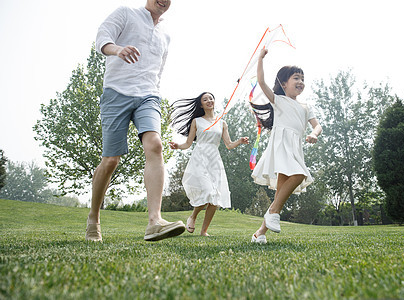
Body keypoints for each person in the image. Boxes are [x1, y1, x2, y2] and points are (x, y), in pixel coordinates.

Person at [85, 0, 186, 242]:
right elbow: (103, 36)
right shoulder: (126, 13)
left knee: (155, 145)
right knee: (110, 160)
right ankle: (93, 218)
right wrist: (117, 49)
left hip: (148, 96)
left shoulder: (166, 35)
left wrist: (155, 92)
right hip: (116, 93)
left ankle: (154, 222)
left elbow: (158, 71)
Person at [250, 49, 322, 244]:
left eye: (302, 78)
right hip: (281, 146)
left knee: (280, 195)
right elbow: (262, 81)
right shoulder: (278, 100)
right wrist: (260, 59)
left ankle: (260, 233)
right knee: (299, 174)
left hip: (295, 148)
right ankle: (272, 213)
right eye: (296, 78)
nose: (300, 82)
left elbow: (317, 126)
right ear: (284, 84)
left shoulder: (306, 107)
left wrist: (313, 134)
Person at [169, 92, 249, 236]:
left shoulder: (221, 122)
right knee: (207, 192)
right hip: (199, 159)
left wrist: (240, 141)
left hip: (214, 160)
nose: (209, 101)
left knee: (215, 199)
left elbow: (229, 145)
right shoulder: (197, 121)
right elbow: (188, 144)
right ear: (201, 104)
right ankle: (193, 216)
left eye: (210, 98)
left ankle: (204, 231)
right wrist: (177, 146)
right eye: (205, 99)